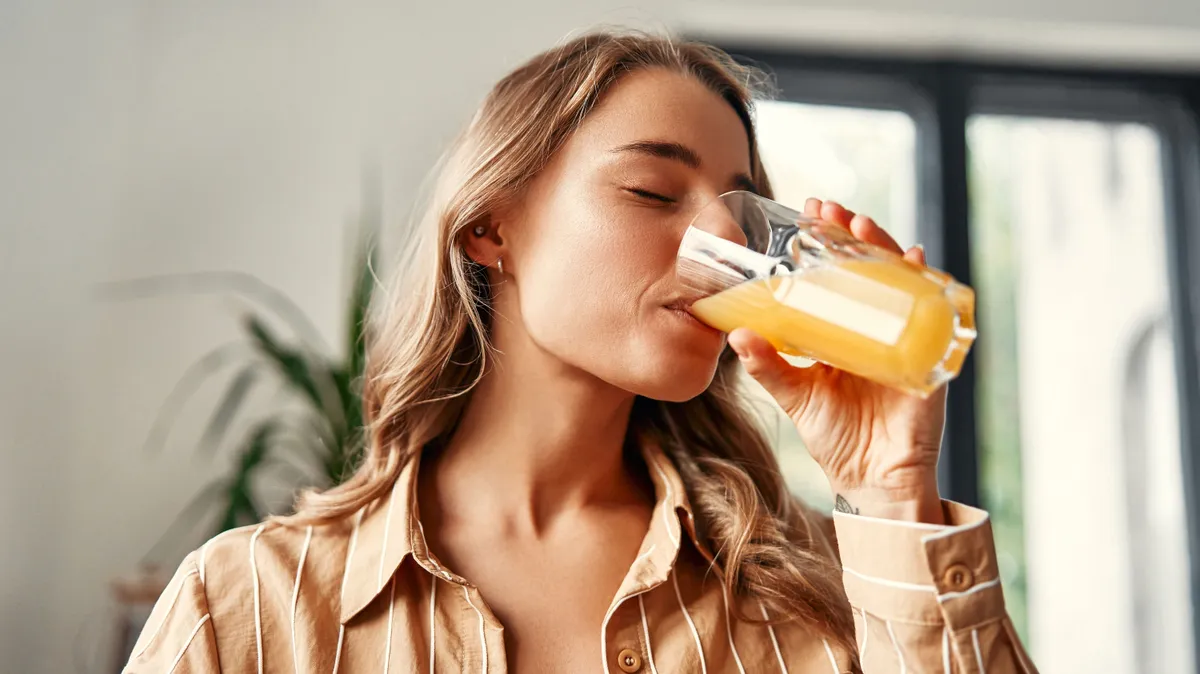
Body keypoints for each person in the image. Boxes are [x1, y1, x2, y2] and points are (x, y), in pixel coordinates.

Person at [124, 30, 1037, 673]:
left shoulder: (821, 597)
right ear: (490, 226)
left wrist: (892, 490)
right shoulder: (243, 606)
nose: (719, 237)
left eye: (741, 203)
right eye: (651, 190)